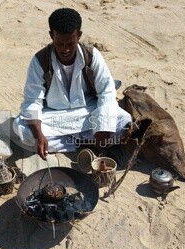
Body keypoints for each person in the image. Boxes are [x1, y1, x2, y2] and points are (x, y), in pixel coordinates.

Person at [13, 8, 132, 160]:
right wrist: (39, 135)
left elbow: (107, 92)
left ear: (79, 36)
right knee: (23, 129)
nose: (65, 49)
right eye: (60, 44)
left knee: (123, 121)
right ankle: (84, 142)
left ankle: (77, 141)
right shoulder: (40, 61)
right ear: (51, 36)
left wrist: (103, 127)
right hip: (54, 115)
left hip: (87, 112)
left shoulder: (92, 56)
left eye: (70, 43)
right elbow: (32, 101)